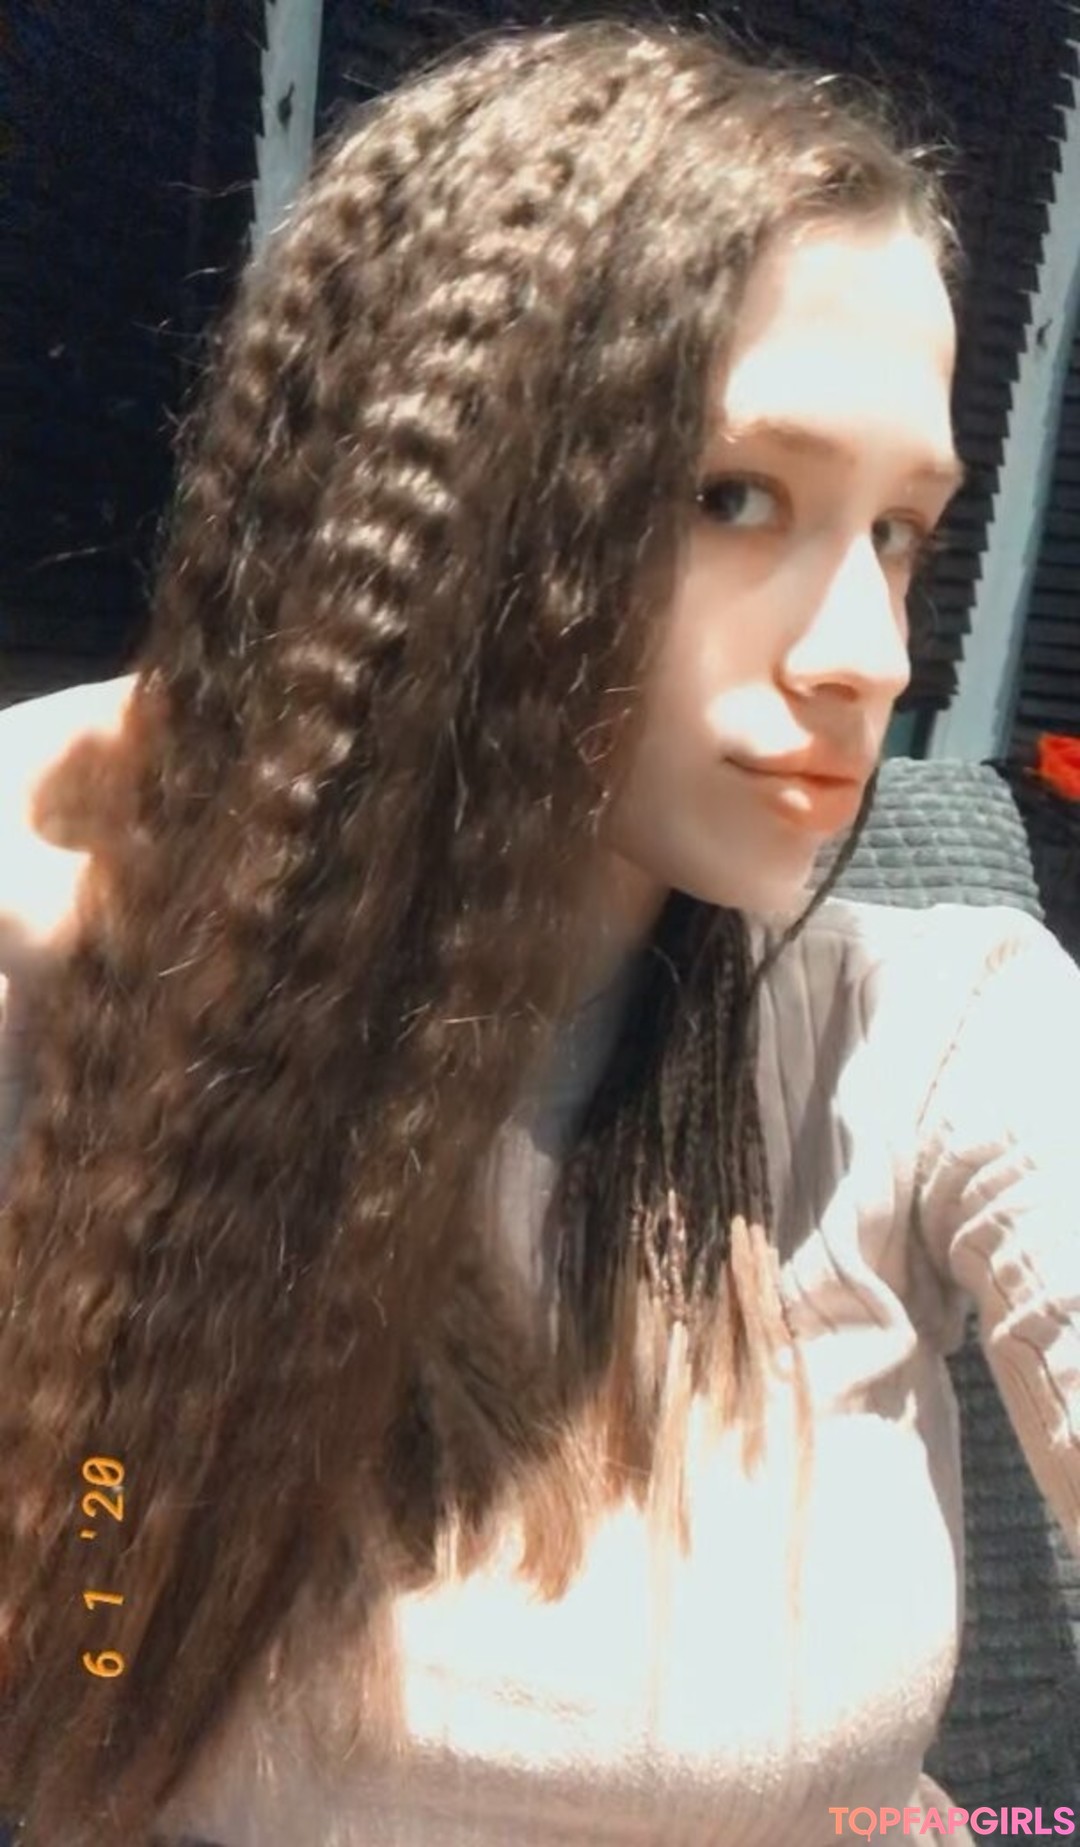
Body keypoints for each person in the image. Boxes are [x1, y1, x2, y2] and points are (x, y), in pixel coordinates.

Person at [0, 17, 1077, 1847]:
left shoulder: (941, 1036)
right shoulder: (113, 1029)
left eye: (900, 532)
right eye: (736, 497)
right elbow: (78, 1656)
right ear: (445, 516)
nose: (871, 658)